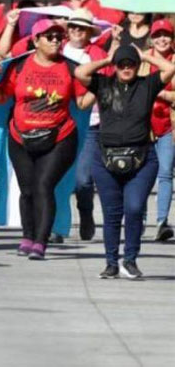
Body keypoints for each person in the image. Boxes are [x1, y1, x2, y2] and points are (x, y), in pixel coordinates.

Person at [0, 20, 93, 260]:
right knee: (26, 190)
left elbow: (83, 103)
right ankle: (27, 236)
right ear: (36, 41)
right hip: (20, 137)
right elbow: (0, 99)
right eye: (49, 36)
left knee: (43, 186)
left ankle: (40, 242)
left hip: (60, 137)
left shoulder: (70, 68)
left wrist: (96, 85)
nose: (55, 40)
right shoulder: (18, 66)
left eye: (58, 36)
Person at [75, 42, 175, 278]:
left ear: (137, 66)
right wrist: (107, 60)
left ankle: (130, 260)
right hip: (106, 158)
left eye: (131, 64)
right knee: (111, 213)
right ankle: (111, 263)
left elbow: (170, 68)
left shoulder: (147, 85)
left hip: (142, 159)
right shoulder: (103, 84)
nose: (126, 68)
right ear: (116, 66)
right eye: (122, 64)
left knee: (134, 208)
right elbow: (80, 73)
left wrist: (145, 57)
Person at [62, 9, 106, 241]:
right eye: (73, 27)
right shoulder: (56, 50)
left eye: (82, 28)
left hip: (91, 124)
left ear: (89, 31)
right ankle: (57, 225)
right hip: (59, 122)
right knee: (56, 177)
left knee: (82, 179)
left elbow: (108, 84)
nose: (77, 31)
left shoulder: (98, 54)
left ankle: (86, 213)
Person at [145, 19, 175, 242]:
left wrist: (164, 95)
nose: (162, 39)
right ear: (151, 38)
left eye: (166, 35)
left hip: (169, 126)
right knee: (142, 174)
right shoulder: (143, 60)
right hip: (143, 125)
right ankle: (140, 217)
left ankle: (162, 222)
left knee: (165, 172)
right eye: (158, 35)